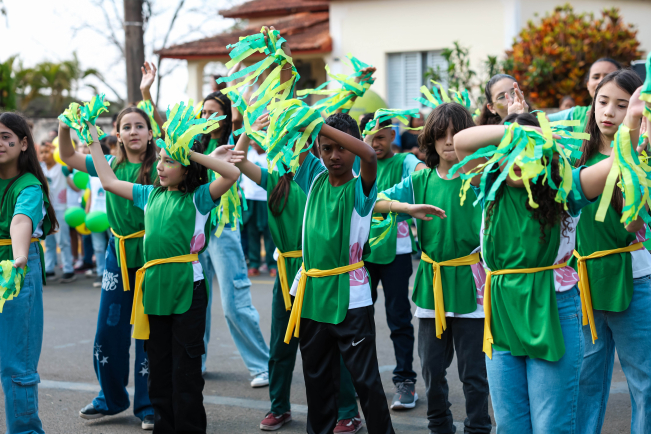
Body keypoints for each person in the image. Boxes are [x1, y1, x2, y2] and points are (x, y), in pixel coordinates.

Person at [452, 109, 631, 433]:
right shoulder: (489, 184)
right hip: (502, 312)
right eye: (510, 150)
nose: (518, 158)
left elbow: (617, 160)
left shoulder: (566, 189)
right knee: (510, 425)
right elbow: (461, 141)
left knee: (552, 425)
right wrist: (520, 133)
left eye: (530, 150)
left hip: (555, 308)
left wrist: (635, 116)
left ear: (545, 154)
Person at [84, 104, 241, 433]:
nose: (160, 165)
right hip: (154, 288)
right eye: (160, 159)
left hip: (188, 288)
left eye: (170, 160)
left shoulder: (199, 198)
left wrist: (192, 154)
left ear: (186, 166)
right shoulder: (149, 195)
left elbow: (231, 174)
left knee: (186, 373)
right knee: (158, 372)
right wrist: (94, 141)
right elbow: (109, 181)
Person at [227, 114, 363, 432]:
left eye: (294, 138)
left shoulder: (321, 174)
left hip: (320, 270)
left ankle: (348, 412)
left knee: (334, 346)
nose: (288, 144)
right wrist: (248, 130)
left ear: (308, 141)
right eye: (282, 139)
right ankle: (279, 407)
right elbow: (239, 160)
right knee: (281, 345)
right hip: (287, 272)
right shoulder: (275, 178)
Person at [286, 112, 412, 434]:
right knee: (316, 382)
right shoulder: (314, 178)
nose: (333, 155)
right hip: (312, 295)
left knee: (366, 382)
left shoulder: (360, 189)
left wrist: (320, 127)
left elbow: (369, 155)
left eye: (341, 147)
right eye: (326, 148)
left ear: (354, 147)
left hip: (351, 299)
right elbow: (293, 132)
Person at [374, 102, 492, 433]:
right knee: (431, 368)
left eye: (457, 134)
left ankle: (478, 427)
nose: (449, 141)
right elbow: (375, 202)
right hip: (431, 283)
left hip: (471, 281)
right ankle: (439, 426)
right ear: (431, 139)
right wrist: (406, 208)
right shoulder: (420, 180)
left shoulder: (480, 178)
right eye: (442, 134)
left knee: (474, 372)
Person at [58, 65, 160, 429]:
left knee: (148, 334)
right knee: (108, 331)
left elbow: (168, 133)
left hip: (151, 258)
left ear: (151, 133)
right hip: (118, 256)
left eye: (140, 126)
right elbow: (67, 156)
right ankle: (111, 397)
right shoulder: (108, 164)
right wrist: (65, 125)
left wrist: (147, 93)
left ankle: (149, 405)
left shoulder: (162, 165)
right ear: (116, 134)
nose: (133, 131)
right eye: (126, 126)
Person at [573, 71, 651, 434]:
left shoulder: (644, 158)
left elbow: (637, 222)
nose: (609, 112)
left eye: (622, 105)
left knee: (645, 380)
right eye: (602, 101)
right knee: (584, 381)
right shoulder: (573, 154)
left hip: (635, 280)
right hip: (581, 284)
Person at [196, 90, 271, 386]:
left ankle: (262, 366)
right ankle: (196, 362)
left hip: (223, 228)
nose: (206, 117)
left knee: (234, 302)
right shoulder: (195, 142)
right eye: (203, 112)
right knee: (196, 301)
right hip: (197, 228)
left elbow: (241, 132)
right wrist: (146, 93)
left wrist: (245, 117)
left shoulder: (232, 139)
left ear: (226, 116)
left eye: (213, 112)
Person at [359, 112, 425, 410]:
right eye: (369, 138)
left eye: (381, 137)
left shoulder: (403, 161)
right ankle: (362, 380)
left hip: (396, 253)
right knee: (359, 320)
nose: (375, 143)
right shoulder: (357, 164)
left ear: (392, 136)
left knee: (399, 318)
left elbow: (420, 169)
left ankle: (405, 381)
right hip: (361, 253)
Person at [0, 112, 58, 434]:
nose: (0, 143)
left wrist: (20, 255)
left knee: (16, 362)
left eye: (6, 137)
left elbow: (21, 220)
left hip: (16, 270)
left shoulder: (29, 186)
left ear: (23, 144)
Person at [548, 58, 622, 133]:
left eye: (608, 77)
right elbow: (542, 122)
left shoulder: (627, 115)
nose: (601, 81)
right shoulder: (576, 115)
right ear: (588, 84)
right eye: (596, 77)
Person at [39, 140, 76, 282]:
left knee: (63, 241)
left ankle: (68, 269)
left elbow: (71, 166)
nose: (44, 155)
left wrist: (57, 150)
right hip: (45, 210)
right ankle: (49, 269)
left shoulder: (62, 168)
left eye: (47, 152)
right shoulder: (40, 169)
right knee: (48, 241)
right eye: (41, 152)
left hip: (60, 209)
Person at [241, 139, 277, 277]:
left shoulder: (273, 155)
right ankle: (254, 264)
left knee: (270, 233)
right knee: (252, 232)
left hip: (267, 200)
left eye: (255, 139)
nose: (252, 142)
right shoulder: (248, 154)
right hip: (250, 199)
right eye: (250, 139)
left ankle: (272, 264)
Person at [86, 141, 111, 287]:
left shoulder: (111, 171)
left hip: (109, 215)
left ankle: (112, 272)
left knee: (113, 246)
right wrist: (87, 212)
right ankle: (101, 273)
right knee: (98, 247)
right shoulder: (91, 174)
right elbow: (90, 195)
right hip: (95, 216)